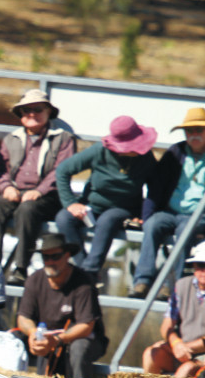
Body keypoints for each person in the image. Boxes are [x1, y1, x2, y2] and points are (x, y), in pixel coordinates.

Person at [0, 89, 76, 286]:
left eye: (37, 109)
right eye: (26, 110)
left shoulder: (63, 138)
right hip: (16, 191)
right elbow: (1, 169)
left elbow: (61, 171)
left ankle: (20, 268)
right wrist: (6, 187)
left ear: (49, 112)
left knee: (27, 209)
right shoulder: (11, 139)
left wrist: (38, 191)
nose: (31, 114)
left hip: (48, 196)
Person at [55, 115, 157, 279]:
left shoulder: (146, 158)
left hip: (123, 209)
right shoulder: (99, 151)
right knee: (63, 218)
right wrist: (71, 203)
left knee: (108, 220)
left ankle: (91, 270)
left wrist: (146, 216)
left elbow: (155, 189)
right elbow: (63, 171)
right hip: (91, 205)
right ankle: (83, 271)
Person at [129, 107, 205, 299]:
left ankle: (174, 287)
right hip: (170, 211)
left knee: (185, 231)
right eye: (189, 131)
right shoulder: (175, 152)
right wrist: (146, 217)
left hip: (198, 216)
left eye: (199, 130)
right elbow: (155, 187)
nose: (194, 135)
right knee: (153, 225)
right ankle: (142, 282)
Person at [15, 233, 108, 378]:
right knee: (14, 341)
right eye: (46, 257)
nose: (50, 262)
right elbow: (23, 318)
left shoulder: (83, 282)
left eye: (56, 256)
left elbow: (86, 326)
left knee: (78, 348)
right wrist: (33, 335)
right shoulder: (34, 279)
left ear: (67, 256)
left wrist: (57, 340)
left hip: (80, 338)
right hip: (45, 335)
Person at [141, 243, 205, 377]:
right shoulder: (181, 286)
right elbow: (166, 325)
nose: (203, 270)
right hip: (182, 348)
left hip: (198, 354)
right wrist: (176, 343)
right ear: (193, 266)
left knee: (185, 370)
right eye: (200, 265)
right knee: (150, 354)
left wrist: (185, 347)